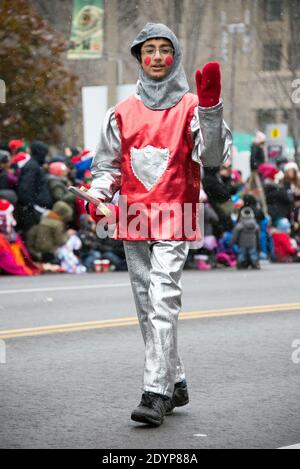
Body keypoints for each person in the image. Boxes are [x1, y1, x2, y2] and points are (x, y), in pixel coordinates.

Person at [86, 23, 231, 426]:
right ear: (138, 57)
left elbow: (214, 157)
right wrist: (97, 197)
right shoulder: (120, 112)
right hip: (132, 219)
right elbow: (107, 167)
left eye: (164, 49)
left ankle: (155, 393)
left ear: (175, 56)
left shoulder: (190, 106)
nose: (156, 57)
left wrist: (211, 109)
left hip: (177, 216)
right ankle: (177, 378)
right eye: (148, 50)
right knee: (146, 306)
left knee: (163, 299)